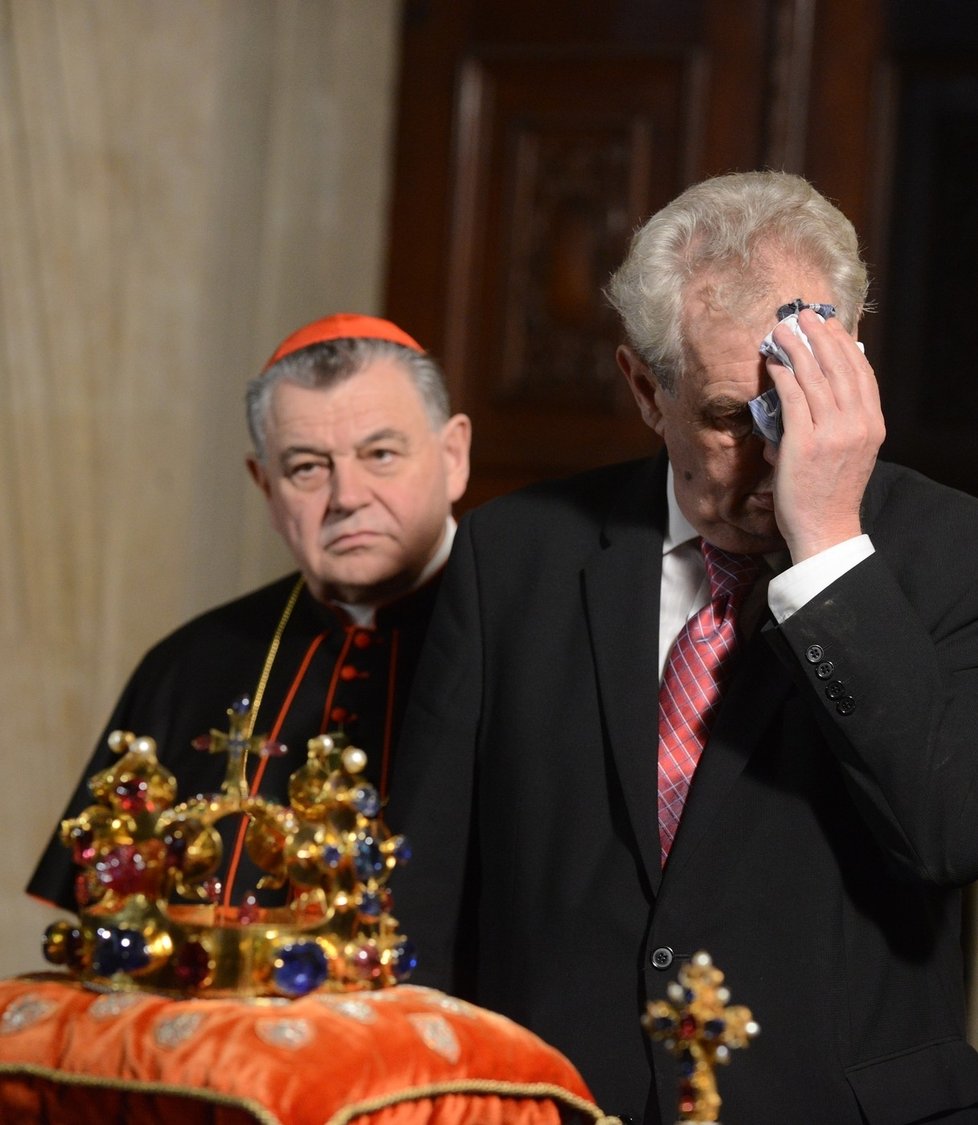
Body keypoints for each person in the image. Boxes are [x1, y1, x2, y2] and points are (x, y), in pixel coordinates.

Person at [387, 171, 978, 1123]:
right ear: (643, 389)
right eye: (729, 415)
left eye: (799, 397)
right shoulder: (514, 555)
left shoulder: (957, 552)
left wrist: (827, 545)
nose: (778, 452)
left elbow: (952, 828)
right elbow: (421, 896)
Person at [29, 312, 471, 912]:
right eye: (307, 467)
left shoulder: (537, 640)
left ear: (453, 456)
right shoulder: (187, 664)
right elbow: (108, 922)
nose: (346, 497)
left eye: (381, 454)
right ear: (264, 485)